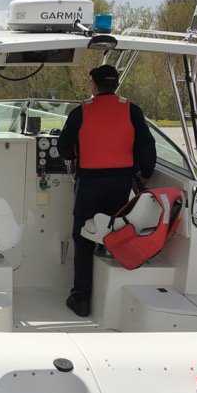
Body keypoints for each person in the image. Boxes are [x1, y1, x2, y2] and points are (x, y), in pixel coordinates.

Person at [58, 64, 157, 317]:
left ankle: (81, 298)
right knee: (114, 232)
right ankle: (113, 302)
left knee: (83, 236)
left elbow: (64, 147)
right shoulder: (132, 111)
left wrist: (75, 155)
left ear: (93, 85)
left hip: (90, 182)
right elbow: (147, 146)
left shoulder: (81, 112)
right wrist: (145, 173)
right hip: (121, 183)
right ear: (115, 86)